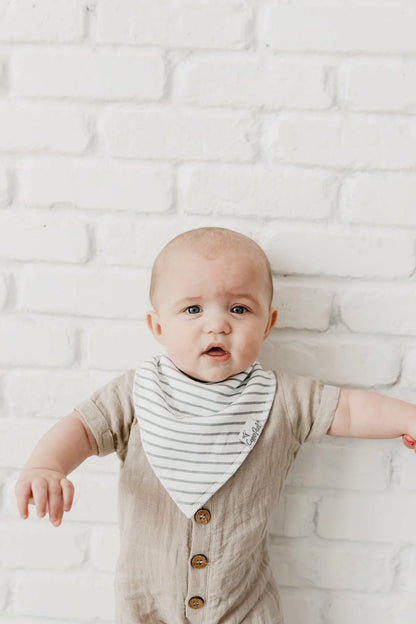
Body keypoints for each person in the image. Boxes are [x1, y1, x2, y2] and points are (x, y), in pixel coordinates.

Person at [15, 227, 416, 623]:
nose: (217, 325)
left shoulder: (280, 398)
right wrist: (46, 466)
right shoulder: (138, 392)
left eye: (239, 309)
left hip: (243, 606)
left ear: (268, 323)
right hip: (148, 606)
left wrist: (407, 417)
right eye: (193, 309)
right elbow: (84, 427)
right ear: (158, 327)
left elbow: (347, 409)